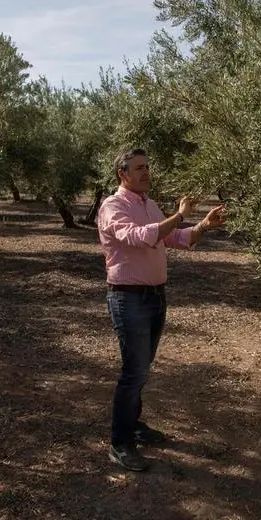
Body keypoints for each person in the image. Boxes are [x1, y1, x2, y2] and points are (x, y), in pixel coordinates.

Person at [97, 148, 227, 471]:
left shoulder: (150, 205)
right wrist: (180, 215)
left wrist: (202, 226)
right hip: (128, 299)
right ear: (122, 174)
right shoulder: (112, 207)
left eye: (147, 167)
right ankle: (120, 443)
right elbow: (141, 237)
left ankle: (134, 425)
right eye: (139, 168)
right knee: (133, 371)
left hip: (155, 298)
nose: (146, 172)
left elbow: (175, 238)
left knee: (142, 368)